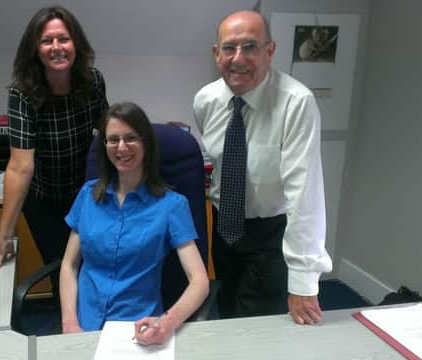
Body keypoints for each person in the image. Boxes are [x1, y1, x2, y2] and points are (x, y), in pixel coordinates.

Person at [193, 10, 332, 325]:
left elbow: (304, 195)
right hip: (224, 226)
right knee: (227, 311)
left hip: (271, 234)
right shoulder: (205, 100)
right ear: (216, 54)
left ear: (270, 51)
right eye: (229, 48)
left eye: (250, 47)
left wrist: (303, 282)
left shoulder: (296, 103)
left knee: (254, 322)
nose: (238, 58)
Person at [59, 102, 209, 345]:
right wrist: (69, 322)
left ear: (146, 144)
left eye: (131, 138)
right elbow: (69, 265)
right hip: (83, 326)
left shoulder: (171, 205)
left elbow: (200, 281)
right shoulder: (88, 196)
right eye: (113, 139)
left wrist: (167, 323)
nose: (121, 147)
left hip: (137, 331)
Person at [0, 5, 109, 296]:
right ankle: (68, 333)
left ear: (76, 44)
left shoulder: (92, 81)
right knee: (63, 272)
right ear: (35, 49)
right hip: (44, 201)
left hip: (85, 195)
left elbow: (106, 131)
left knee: (96, 266)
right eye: (47, 41)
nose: (56, 47)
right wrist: (5, 233)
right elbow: (20, 166)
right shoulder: (22, 94)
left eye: (63, 39)